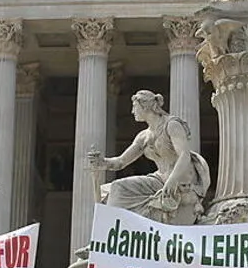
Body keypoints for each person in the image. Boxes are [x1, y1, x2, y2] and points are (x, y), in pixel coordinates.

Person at [88, 90, 210, 225]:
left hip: (178, 180)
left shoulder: (172, 125)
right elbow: (120, 162)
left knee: (118, 190)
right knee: (114, 189)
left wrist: (172, 180)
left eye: (135, 107)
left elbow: (184, 155)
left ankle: (117, 228)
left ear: (145, 106)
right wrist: (102, 162)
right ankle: (117, 228)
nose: (132, 111)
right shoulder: (143, 136)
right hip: (158, 179)